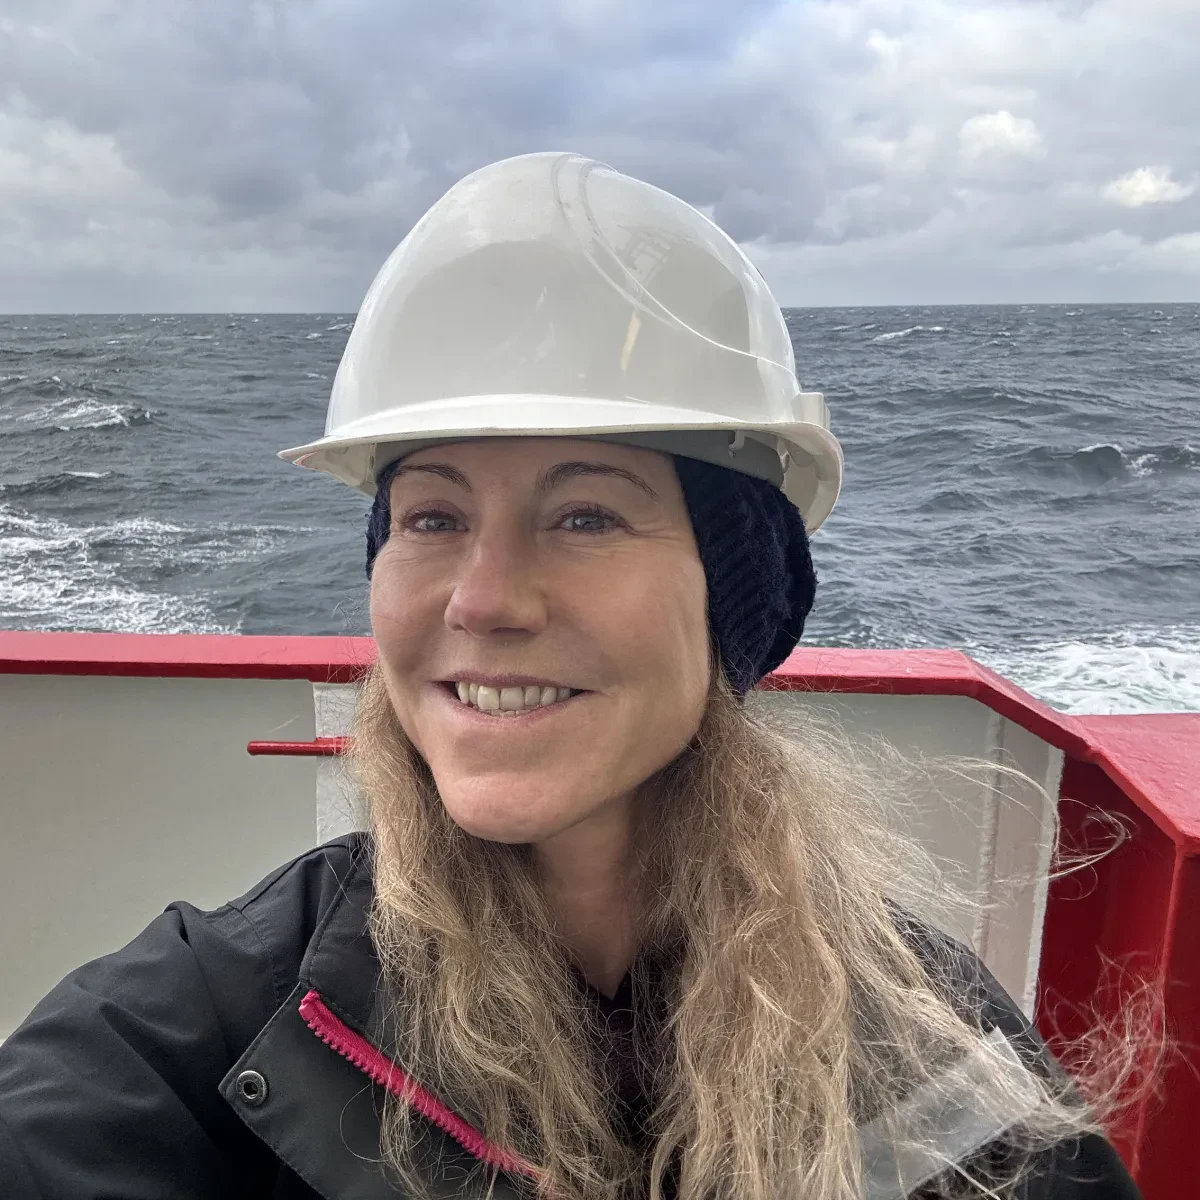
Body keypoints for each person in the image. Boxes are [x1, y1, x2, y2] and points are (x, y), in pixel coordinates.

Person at [0, 153, 1138, 1200]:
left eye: (586, 514)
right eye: (433, 516)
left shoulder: (914, 1041)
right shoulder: (212, 1013)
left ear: (731, 603)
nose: (485, 598)